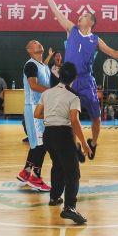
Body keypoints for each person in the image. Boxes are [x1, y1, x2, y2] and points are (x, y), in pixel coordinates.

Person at [37, 0, 118, 159]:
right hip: (69, 81)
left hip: (86, 81)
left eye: (84, 15)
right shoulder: (71, 30)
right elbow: (56, 11)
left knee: (96, 117)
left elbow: (114, 53)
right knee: (70, 117)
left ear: (91, 22)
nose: (80, 16)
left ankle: (93, 142)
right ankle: (75, 147)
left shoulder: (95, 40)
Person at [34, 62, 92, 225]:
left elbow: (37, 113)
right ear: (74, 78)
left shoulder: (47, 93)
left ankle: (54, 197)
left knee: (58, 165)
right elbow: (74, 120)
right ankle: (69, 207)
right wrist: (84, 143)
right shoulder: (73, 97)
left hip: (48, 134)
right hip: (63, 135)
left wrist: (51, 115)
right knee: (73, 173)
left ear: (59, 76)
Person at [16, 40, 52, 191]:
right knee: (42, 143)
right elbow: (33, 85)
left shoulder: (42, 65)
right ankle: (35, 178)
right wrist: (53, 92)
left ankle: (25, 172)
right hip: (33, 108)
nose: (38, 43)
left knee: (37, 143)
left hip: (41, 107)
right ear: (29, 50)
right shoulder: (30, 65)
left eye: (39, 42)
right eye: (34, 43)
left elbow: (43, 69)